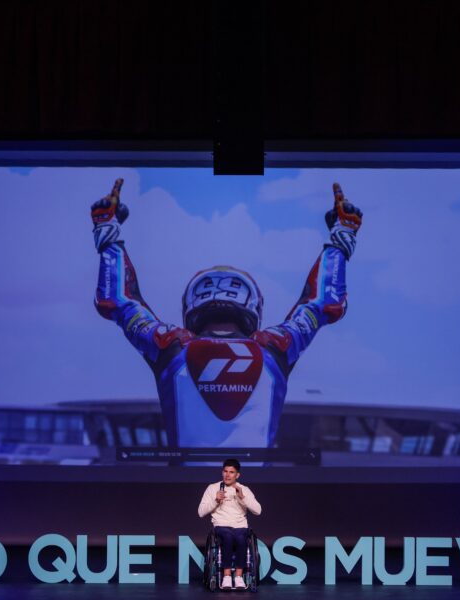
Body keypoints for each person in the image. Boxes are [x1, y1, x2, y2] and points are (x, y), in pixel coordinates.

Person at [92, 177, 362, 448]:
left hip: (182, 488)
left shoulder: (169, 344)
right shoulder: (277, 346)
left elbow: (118, 299)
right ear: (252, 305)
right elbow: (321, 303)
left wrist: (107, 229)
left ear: (192, 305)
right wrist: (342, 237)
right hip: (257, 488)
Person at [197, 458, 261, 590]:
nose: (227, 475)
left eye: (231, 472)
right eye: (225, 471)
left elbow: (258, 510)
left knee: (240, 538)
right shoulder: (212, 488)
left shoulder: (244, 489)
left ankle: (238, 577)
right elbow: (201, 512)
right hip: (221, 525)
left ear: (237, 475)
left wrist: (243, 498)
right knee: (227, 536)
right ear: (222, 472)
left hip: (240, 525)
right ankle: (226, 576)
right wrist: (215, 500)